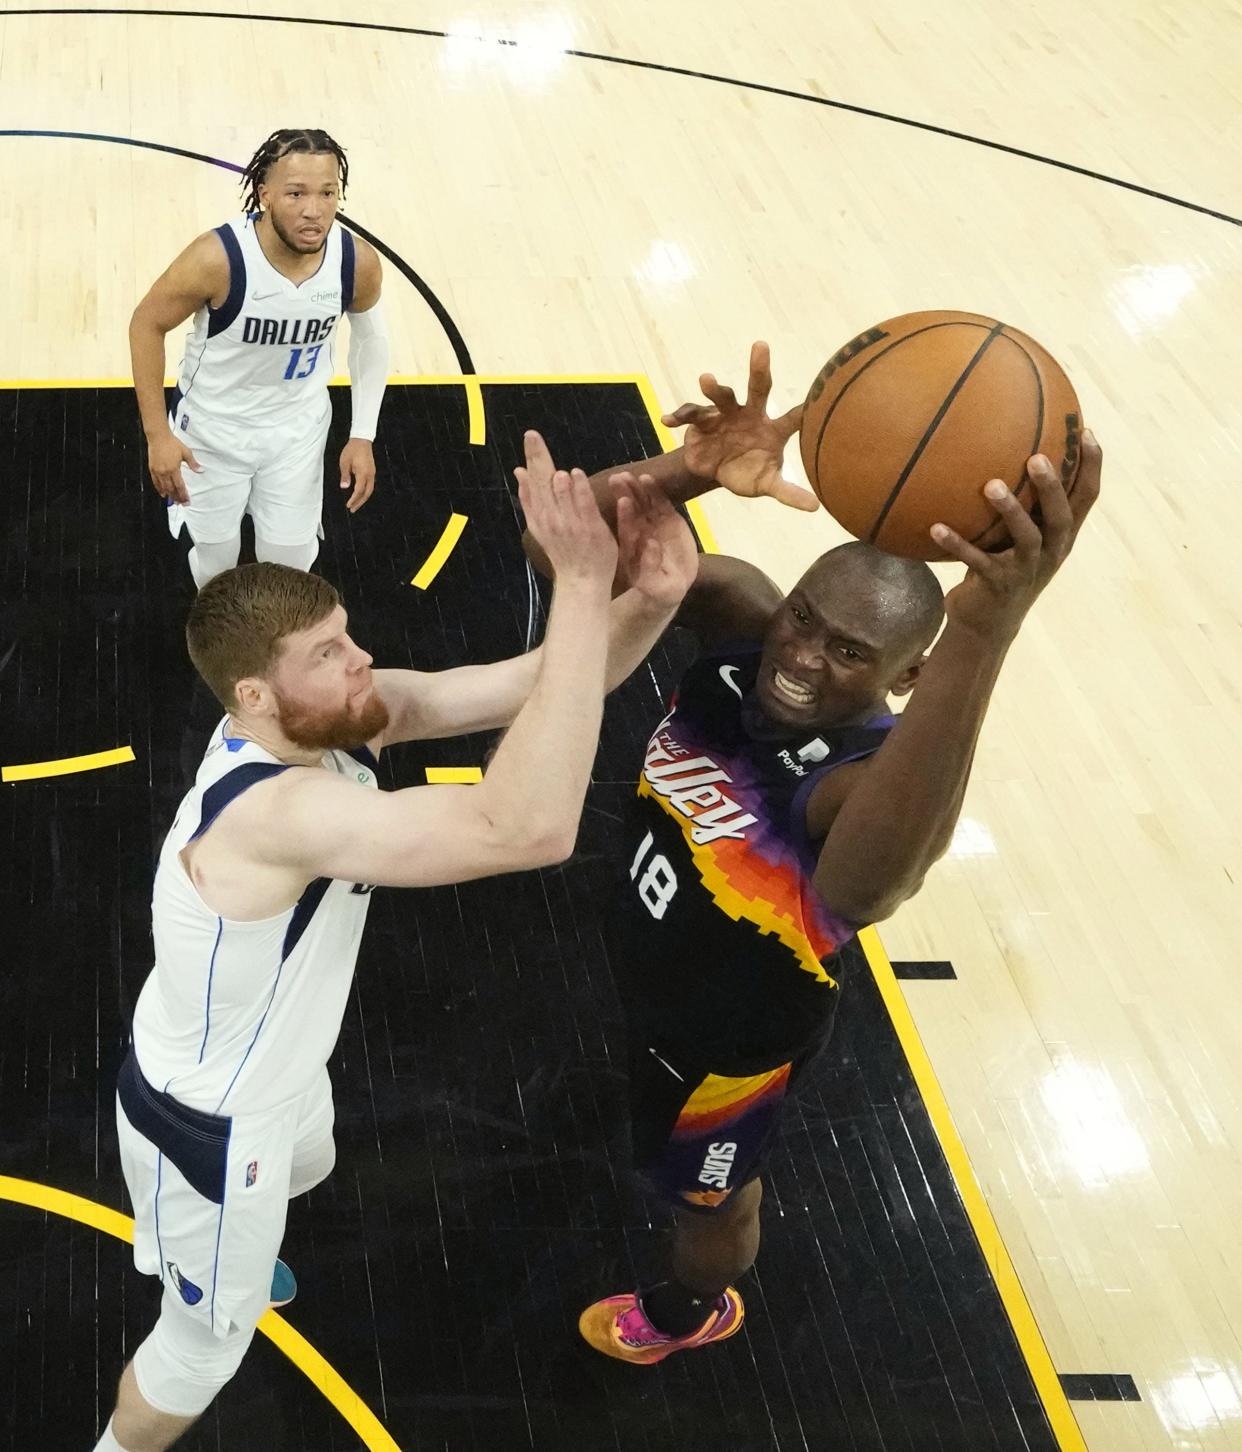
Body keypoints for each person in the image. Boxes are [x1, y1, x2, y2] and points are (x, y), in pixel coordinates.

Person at [94, 434, 698, 1452]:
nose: (359, 657)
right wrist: (582, 581)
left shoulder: (331, 719)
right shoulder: (268, 812)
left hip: (280, 1071)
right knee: (203, 1348)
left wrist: (643, 601)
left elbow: (533, 686)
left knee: (314, 1164)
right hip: (206, 1126)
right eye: (328, 652)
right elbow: (525, 829)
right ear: (253, 696)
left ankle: (239, 1256)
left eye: (346, 633)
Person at [525, 343, 1101, 1365]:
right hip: (653, 968)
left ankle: (686, 1313)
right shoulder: (742, 615)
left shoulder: (858, 787)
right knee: (643, 1124)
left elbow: (874, 887)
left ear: (908, 673)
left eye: (848, 653)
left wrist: (989, 628)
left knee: (709, 1209)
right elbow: (562, 548)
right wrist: (687, 472)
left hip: (729, 1048)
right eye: (806, 621)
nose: (800, 658)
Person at [129, 128, 390, 590]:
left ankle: (281, 654)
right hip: (212, 432)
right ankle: (220, 651)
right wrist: (157, 436)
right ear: (265, 195)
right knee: (216, 556)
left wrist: (363, 434)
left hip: (297, 433)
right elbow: (146, 325)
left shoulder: (357, 262)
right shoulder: (217, 258)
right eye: (296, 194)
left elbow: (371, 339)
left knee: (289, 562)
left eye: (327, 193)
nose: (314, 210)